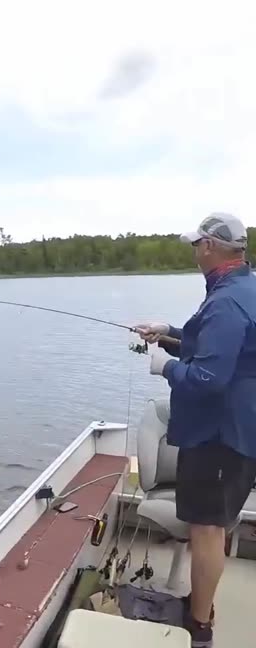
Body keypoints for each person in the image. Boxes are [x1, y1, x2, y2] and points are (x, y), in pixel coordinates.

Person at [136, 211, 256, 648]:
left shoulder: (226, 301)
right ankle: (201, 604)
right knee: (215, 526)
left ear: (209, 247)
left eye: (195, 244)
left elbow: (208, 378)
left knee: (208, 529)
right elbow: (218, 344)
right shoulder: (243, 287)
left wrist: (165, 365)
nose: (193, 251)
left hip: (219, 437)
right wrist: (169, 333)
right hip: (239, 431)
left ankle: (199, 624)